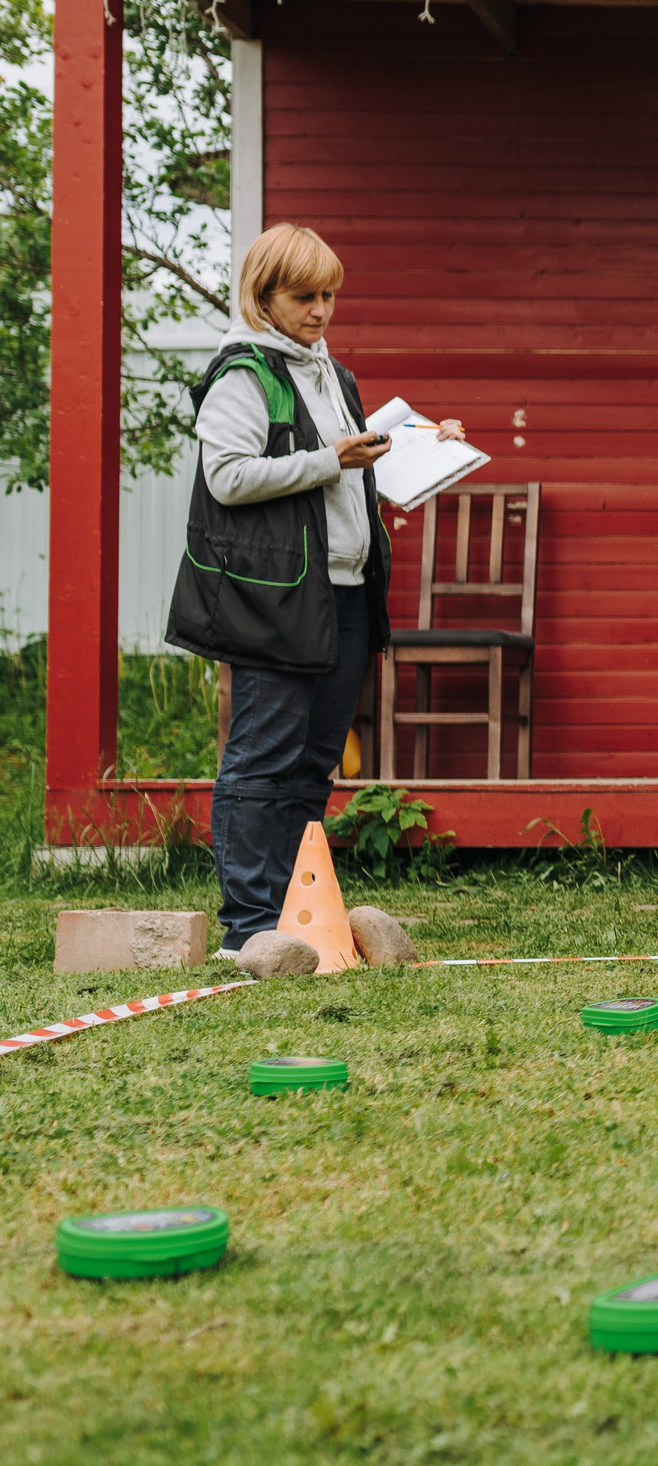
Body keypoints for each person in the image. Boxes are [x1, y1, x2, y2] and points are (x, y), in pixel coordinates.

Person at [165, 223, 465, 959]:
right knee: (261, 759)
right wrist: (331, 457)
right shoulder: (245, 374)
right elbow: (227, 478)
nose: (322, 310)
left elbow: (350, 470)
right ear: (263, 297)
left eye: (330, 294)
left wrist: (425, 445)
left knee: (314, 762)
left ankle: (297, 918)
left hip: (348, 592)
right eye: (305, 296)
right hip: (277, 597)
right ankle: (247, 927)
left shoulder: (335, 373)